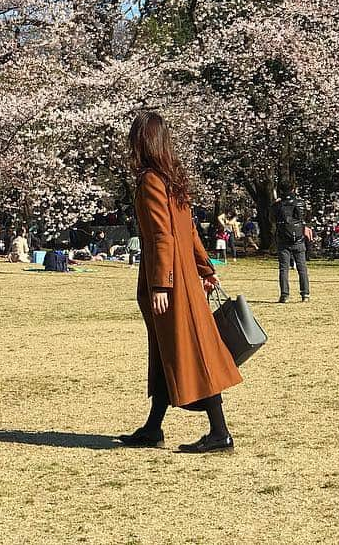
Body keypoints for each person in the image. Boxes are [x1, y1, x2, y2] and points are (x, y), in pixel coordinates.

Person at [117, 112, 241, 453]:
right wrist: (205, 268)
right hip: (183, 274)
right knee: (165, 347)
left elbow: (161, 235)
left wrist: (160, 284)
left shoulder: (151, 182)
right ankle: (153, 427)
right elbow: (188, 232)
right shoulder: (173, 179)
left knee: (189, 349)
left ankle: (219, 432)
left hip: (170, 280)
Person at [272, 182, 310, 303]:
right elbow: (305, 217)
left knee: (284, 268)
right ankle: (305, 294)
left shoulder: (277, 205)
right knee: (302, 268)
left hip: (283, 239)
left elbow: (271, 219)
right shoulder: (300, 203)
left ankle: (284, 295)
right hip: (298, 239)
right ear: (294, 189)